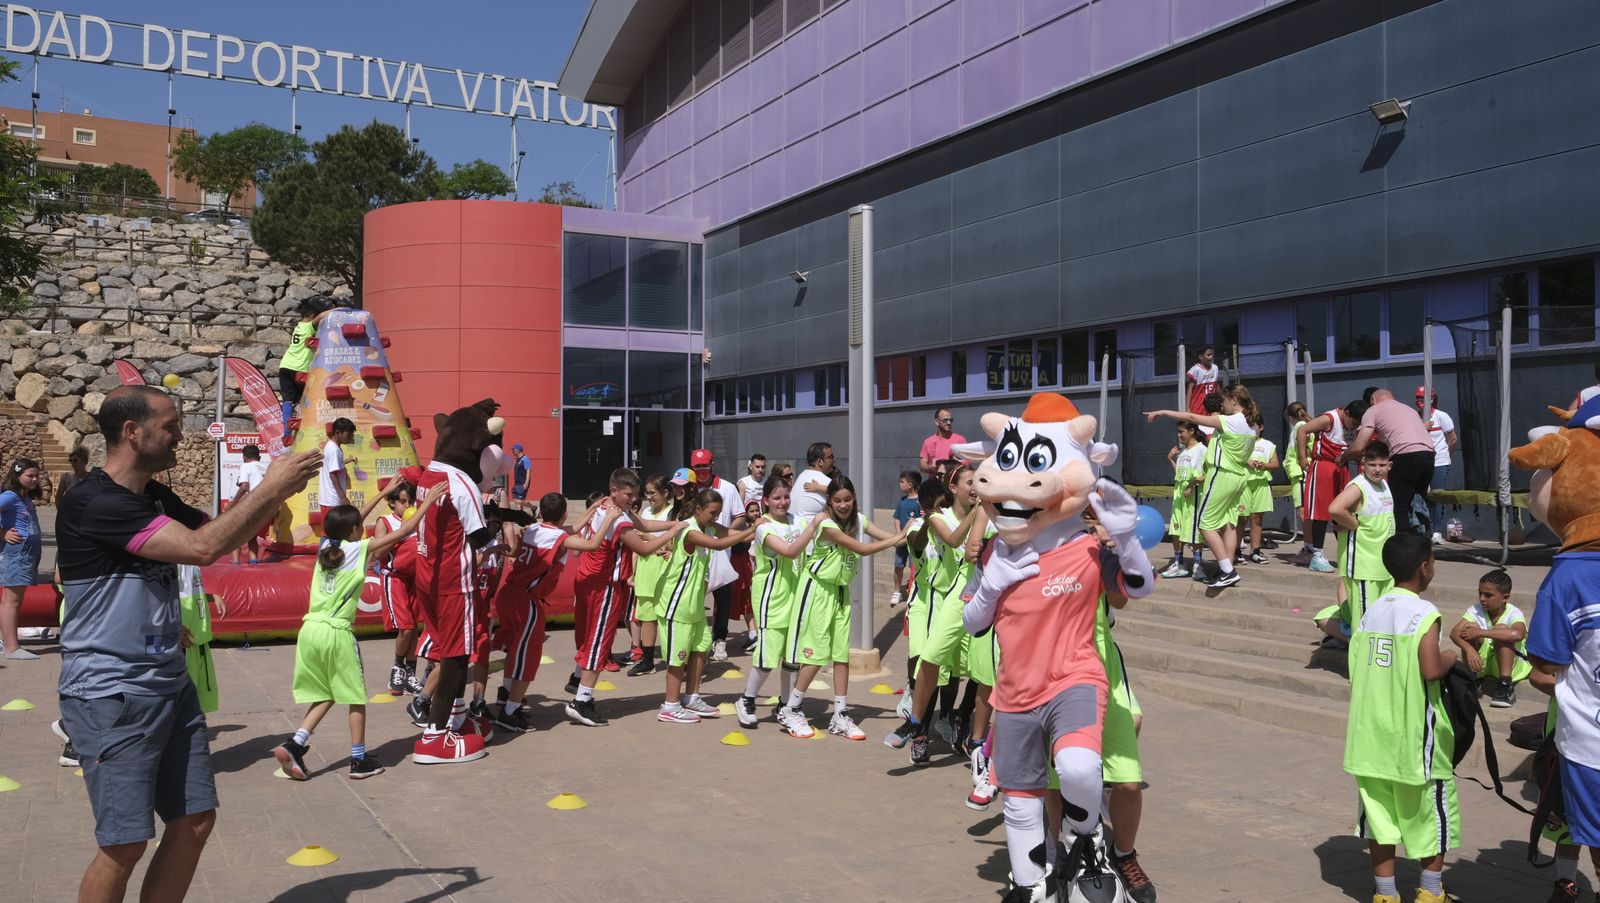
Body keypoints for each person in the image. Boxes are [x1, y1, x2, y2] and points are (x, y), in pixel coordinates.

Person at [57, 384, 319, 903]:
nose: (181, 434)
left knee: (195, 821)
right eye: (171, 425)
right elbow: (202, 548)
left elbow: (219, 532)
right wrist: (271, 486)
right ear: (133, 432)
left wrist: (276, 487)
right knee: (125, 842)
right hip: (114, 694)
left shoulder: (151, 496)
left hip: (169, 685)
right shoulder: (95, 500)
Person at [274, 485, 439, 781]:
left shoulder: (327, 548)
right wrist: (427, 504)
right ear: (353, 530)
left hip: (310, 629)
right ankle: (359, 760)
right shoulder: (357, 549)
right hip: (336, 632)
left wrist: (383, 493)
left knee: (327, 692)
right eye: (359, 527)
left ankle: (295, 744)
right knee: (356, 697)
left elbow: (350, 521)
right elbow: (402, 533)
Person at [1343, 534, 1458, 903]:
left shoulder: (1371, 610)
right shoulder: (1424, 613)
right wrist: (1452, 657)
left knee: (1380, 820)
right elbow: (1430, 669)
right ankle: (1430, 891)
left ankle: (1385, 895)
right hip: (1411, 736)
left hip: (1369, 734)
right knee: (1431, 814)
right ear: (1425, 568)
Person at [777, 476, 907, 740]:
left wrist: (915, 529)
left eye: (847, 499)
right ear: (830, 501)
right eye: (837, 500)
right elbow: (862, 548)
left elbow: (896, 540)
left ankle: (841, 714)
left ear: (854, 498)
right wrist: (901, 536)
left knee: (841, 655)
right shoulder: (824, 524)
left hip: (840, 592)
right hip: (816, 590)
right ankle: (791, 708)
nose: (843, 505)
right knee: (815, 654)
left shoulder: (860, 520)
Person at [565, 468, 684, 727]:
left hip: (589, 582)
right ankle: (582, 701)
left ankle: (577, 680)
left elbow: (643, 524)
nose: (633, 499)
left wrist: (673, 523)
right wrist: (671, 535)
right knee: (599, 642)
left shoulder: (605, 507)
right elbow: (643, 547)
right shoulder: (616, 519)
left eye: (636, 494)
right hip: (604, 585)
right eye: (629, 494)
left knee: (589, 637)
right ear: (615, 491)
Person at [490, 493, 616, 733]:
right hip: (525, 600)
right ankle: (510, 712)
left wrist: (594, 509)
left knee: (515, 649)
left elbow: (572, 528)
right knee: (527, 657)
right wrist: (609, 518)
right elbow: (591, 545)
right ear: (564, 514)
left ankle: (506, 695)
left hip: (507, 595)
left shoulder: (533, 529)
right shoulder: (558, 537)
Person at [888, 464, 982, 763]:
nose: (933, 508)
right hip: (929, 600)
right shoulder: (932, 521)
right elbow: (926, 541)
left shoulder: (979, 515)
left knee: (963, 670)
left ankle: (955, 718)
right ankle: (917, 729)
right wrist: (929, 521)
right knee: (925, 662)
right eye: (970, 482)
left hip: (967, 599)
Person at [1144, 384, 1259, 588]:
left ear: (1233, 399)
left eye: (1224, 401)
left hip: (1222, 475)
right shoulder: (1253, 427)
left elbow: (1193, 418)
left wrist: (1162, 411)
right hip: (1240, 477)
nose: (1222, 406)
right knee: (1230, 523)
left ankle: (1227, 570)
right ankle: (1228, 567)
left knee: (1204, 524)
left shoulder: (1231, 421)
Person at [656, 489, 756, 723]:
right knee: (677, 657)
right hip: (676, 603)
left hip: (695, 604)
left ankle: (691, 697)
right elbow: (720, 544)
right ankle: (670, 706)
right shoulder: (690, 529)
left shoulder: (708, 526)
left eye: (719, 513)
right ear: (699, 509)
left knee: (702, 647)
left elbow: (729, 533)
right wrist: (751, 529)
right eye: (712, 513)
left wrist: (758, 529)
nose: (715, 517)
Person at [737, 474, 823, 727]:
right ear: (766, 500)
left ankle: (785, 706)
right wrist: (812, 527)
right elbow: (789, 550)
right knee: (767, 656)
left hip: (796, 597)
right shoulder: (764, 527)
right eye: (776, 497)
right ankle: (746, 700)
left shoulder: (797, 520)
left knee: (792, 656)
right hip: (771, 599)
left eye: (786, 496)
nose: (783, 502)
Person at [1320, 442, 1396, 641]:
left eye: (1382, 465)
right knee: (1366, 622)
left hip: (1383, 566)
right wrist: (1353, 524)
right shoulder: (1359, 486)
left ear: (1390, 465)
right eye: (1373, 465)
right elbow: (1335, 508)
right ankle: (1358, 660)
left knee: (1380, 617)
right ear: (1363, 464)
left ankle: (1343, 625)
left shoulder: (1383, 484)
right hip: (1364, 568)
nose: (1377, 469)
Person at [1345, 388, 1434, 534]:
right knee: (1419, 504)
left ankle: (1402, 549)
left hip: (1405, 456)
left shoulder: (1373, 410)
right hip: (1429, 455)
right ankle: (1422, 546)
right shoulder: (1409, 409)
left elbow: (1359, 445)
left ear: (1372, 400)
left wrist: (1343, 457)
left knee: (1400, 507)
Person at [689, 448, 749, 663]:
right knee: (694, 597)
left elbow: (740, 517)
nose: (702, 471)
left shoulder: (727, 488)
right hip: (694, 552)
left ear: (712, 465)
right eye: (697, 468)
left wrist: (722, 536)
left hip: (721, 552)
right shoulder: (689, 488)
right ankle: (697, 642)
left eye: (705, 466)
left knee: (723, 598)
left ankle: (720, 638)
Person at [1295, 400, 1366, 572]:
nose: (1354, 426)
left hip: (1342, 468)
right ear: (1347, 413)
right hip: (1324, 467)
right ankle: (1316, 556)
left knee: (1343, 512)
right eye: (1354, 422)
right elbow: (1302, 430)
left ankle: (1347, 553)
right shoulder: (1330, 419)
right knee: (1321, 512)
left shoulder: (1353, 426)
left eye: (1358, 424)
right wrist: (1303, 457)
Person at [1449, 568, 1529, 708]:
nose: (1481, 598)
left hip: (1512, 665)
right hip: (1483, 664)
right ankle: (1474, 678)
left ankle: (1505, 685)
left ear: (1505, 597)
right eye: (1480, 593)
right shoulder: (1476, 609)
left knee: (1501, 630)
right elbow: (1454, 632)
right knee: (1468, 627)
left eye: (1488, 595)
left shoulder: (1513, 612)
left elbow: (1518, 634)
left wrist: (1480, 632)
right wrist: (1469, 649)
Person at [372, 482, 423, 695]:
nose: (407, 505)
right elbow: (377, 553)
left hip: (416, 580)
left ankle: (410, 674)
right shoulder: (385, 522)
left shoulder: (417, 520)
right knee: (406, 628)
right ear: (392, 502)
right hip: (395, 579)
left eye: (410, 501)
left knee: (415, 629)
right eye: (403, 501)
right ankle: (397, 668)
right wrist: (402, 533)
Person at [627, 474, 674, 676]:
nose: (649, 497)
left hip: (664, 568)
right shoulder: (646, 511)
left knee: (666, 616)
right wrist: (633, 573)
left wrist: (648, 536)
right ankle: (647, 660)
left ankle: (675, 657)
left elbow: (674, 544)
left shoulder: (673, 513)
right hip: (646, 569)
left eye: (653, 493)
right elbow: (636, 547)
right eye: (647, 493)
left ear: (665, 493)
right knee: (647, 616)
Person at [1, 457, 44, 659]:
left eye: (36, 475)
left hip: (25, 556)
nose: (34, 479)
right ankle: (11, 647)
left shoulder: (24, 498)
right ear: (18, 476)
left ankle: (11, 644)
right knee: (11, 601)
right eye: (30, 475)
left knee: (14, 600)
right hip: (15, 556)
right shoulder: (9, 496)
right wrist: (2, 533)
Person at [1160, 422, 1207, 579]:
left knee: (1193, 530)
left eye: (1181, 432)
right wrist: (1171, 459)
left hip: (1193, 496)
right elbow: (1180, 475)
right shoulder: (1183, 451)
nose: (1178, 435)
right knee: (1176, 528)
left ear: (1192, 430)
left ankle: (1198, 564)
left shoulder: (1202, 450)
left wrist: (1193, 484)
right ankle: (1179, 563)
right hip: (1179, 495)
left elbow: (1209, 473)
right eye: (1178, 432)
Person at [177, 565, 224, 714]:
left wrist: (212, 595)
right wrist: (173, 625)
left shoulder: (192, 561)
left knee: (199, 695)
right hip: (184, 640)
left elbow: (192, 590)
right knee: (182, 696)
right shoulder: (172, 559)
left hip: (199, 638)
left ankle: (195, 725)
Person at [1415, 388, 1457, 544]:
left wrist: (1445, 455)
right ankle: (1424, 529)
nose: (1420, 400)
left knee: (1437, 496)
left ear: (1432, 399)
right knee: (1421, 496)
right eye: (1418, 397)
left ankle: (1437, 532)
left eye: (1423, 398)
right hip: (1421, 461)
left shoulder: (1441, 416)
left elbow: (1452, 439)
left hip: (1439, 461)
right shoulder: (1414, 417)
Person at [278, 299, 329, 425]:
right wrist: (339, 310)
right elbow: (323, 315)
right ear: (312, 316)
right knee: (308, 395)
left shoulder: (298, 327)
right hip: (298, 368)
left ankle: (287, 430)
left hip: (284, 366)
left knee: (288, 400)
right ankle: (309, 423)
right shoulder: (308, 327)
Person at [1238, 415, 1279, 565]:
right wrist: (1246, 461)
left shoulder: (1269, 445)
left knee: (1257, 519)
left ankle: (1255, 551)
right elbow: (1234, 460)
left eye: (1254, 426)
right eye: (1248, 427)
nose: (1251, 429)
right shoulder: (1241, 443)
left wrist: (1264, 465)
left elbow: (1275, 464)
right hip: (1244, 483)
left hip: (1261, 483)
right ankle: (1236, 550)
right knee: (1241, 518)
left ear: (1261, 427)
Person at [231, 444, 270, 564]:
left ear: (244, 457)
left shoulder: (246, 466)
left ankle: (235, 563)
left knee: (235, 534)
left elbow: (244, 487)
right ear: (259, 457)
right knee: (251, 535)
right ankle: (254, 561)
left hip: (251, 504)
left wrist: (233, 503)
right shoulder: (265, 467)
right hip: (264, 506)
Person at [890, 470, 922, 607]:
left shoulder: (919, 501)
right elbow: (896, 518)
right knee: (898, 565)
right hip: (901, 540)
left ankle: (913, 591)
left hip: (913, 541)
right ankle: (897, 591)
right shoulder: (901, 501)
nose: (899, 484)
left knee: (913, 566)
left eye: (902, 482)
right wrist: (898, 533)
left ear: (910, 484)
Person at [319, 417, 356, 510]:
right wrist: (343, 498)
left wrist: (348, 460)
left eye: (352, 434)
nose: (351, 437)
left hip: (332, 500)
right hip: (332, 501)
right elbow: (333, 475)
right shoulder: (334, 450)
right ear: (338, 432)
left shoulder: (333, 447)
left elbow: (335, 466)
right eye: (349, 434)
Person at [792, 442, 835, 519]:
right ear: (820, 462)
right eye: (831, 457)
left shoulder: (802, 476)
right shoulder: (825, 481)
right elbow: (843, 493)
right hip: (810, 528)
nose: (834, 460)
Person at [919, 408, 968, 476]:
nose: (949, 423)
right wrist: (936, 467)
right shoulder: (928, 441)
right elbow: (922, 466)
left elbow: (967, 463)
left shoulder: (960, 440)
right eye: (945, 420)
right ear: (937, 422)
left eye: (951, 420)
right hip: (935, 483)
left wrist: (950, 467)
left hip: (953, 483)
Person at [1185, 345, 1221, 415]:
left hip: (1212, 405)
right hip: (1198, 405)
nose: (1211, 357)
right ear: (1200, 357)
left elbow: (1216, 385)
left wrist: (1221, 399)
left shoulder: (1215, 368)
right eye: (1208, 355)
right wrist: (1188, 408)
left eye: (1212, 354)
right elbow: (1189, 390)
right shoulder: (1195, 370)